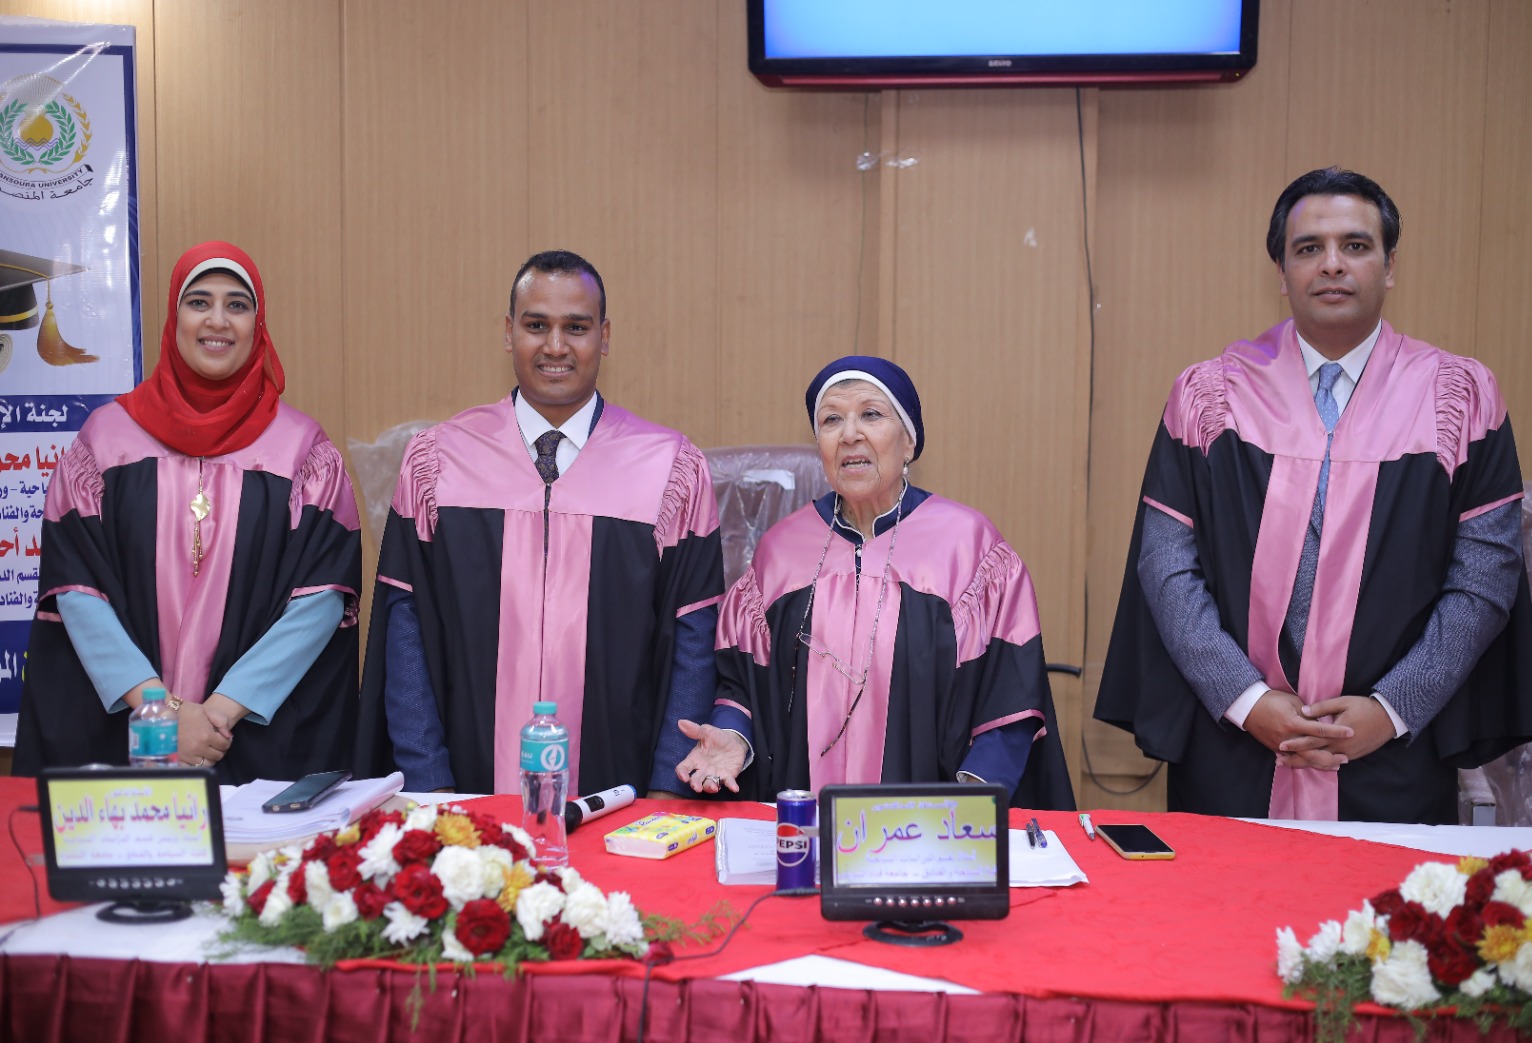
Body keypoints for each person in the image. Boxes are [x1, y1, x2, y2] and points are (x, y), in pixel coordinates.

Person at [1094, 167, 1532, 822]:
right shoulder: (1210, 397)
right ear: (1281, 273)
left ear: (1390, 267)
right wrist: (1248, 700)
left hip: (1392, 752)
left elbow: (1485, 572)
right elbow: (1167, 567)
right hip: (1236, 745)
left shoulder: (1459, 398)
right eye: (1309, 248)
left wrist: (1390, 710)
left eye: (1355, 246)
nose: (1332, 264)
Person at [357, 250, 723, 796]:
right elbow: (405, 632)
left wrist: (667, 788)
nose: (555, 346)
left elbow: (694, 639)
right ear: (509, 332)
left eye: (576, 327)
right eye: (536, 326)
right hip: (465, 789)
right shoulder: (440, 462)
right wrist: (428, 783)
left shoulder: (669, 468)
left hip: (619, 795)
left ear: (604, 336)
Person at [13, 241, 362, 782]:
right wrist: (165, 713)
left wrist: (216, 716)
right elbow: (78, 591)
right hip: (128, 732)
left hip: (252, 737)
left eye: (237, 305)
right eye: (199, 302)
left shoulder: (303, 450)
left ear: (257, 324)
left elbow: (320, 601)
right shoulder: (105, 442)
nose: (217, 320)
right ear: (174, 318)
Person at [672, 356, 1075, 808]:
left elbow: (1010, 698)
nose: (849, 435)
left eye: (871, 414)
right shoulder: (779, 554)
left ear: (909, 442)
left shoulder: (969, 550)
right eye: (831, 420)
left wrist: (971, 803)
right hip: (805, 818)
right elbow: (740, 687)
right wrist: (733, 737)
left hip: (928, 825)